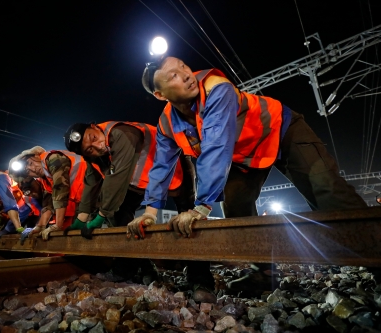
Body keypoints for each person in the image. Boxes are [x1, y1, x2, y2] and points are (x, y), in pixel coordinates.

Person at [130, 56, 368, 293]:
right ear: (160, 95)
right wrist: (149, 213)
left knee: (326, 189)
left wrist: (201, 207)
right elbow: (162, 166)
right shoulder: (166, 124)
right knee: (236, 207)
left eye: (183, 66)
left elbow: (216, 146)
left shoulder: (217, 88)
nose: (185, 75)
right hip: (244, 156)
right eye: (173, 76)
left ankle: (375, 254)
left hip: (279, 130)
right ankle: (264, 273)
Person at [63, 121, 195, 236]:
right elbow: (91, 184)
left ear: (95, 127)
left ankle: (197, 264)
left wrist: (101, 216)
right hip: (142, 183)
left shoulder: (122, 134)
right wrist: (81, 218)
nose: (98, 146)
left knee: (187, 218)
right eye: (90, 149)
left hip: (176, 167)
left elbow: (117, 178)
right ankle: (134, 263)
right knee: (120, 216)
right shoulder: (92, 156)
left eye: (94, 138)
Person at [7, 146, 87, 241]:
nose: (33, 169)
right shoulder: (45, 179)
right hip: (88, 199)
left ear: (37, 155)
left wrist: (58, 225)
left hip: (99, 188)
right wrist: (40, 226)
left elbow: (60, 189)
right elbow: (49, 201)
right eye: (28, 171)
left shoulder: (53, 158)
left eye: (30, 163)